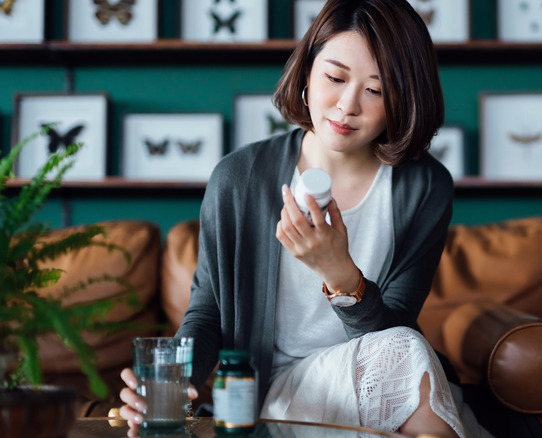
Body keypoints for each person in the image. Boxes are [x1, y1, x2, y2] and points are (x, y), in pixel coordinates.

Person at [119, 1, 490, 437]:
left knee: (406, 352)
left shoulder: (423, 186)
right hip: (275, 394)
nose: (347, 106)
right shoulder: (239, 178)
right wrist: (170, 381)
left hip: (380, 381)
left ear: (404, 100)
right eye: (335, 78)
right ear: (307, 72)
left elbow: (394, 332)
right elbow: (206, 314)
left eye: (376, 90)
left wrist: (340, 273)